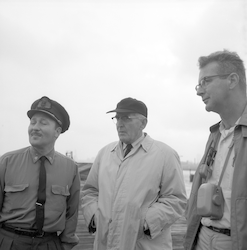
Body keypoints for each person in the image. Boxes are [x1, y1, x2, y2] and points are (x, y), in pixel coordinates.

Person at [81, 97, 187, 250]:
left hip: (145, 244)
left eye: (126, 118)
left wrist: (146, 222)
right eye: (117, 118)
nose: (119, 124)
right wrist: (94, 216)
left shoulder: (165, 155)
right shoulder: (104, 153)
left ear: (143, 123)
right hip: (105, 243)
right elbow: (90, 191)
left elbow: (176, 199)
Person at [184, 50, 247, 250]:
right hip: (202, 235)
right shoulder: (215, 134)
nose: (199, 91)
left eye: (206, 81)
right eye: (198, 84)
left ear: (232, 80)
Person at [0, 96, 80, 250]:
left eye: (43, 123)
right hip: (8, 242)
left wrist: (66, 244)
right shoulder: (7, 162)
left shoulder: (70, 168)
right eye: (32, 122)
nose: (35, 127)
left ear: (57, 132)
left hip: (49, 244)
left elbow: (72, 212)